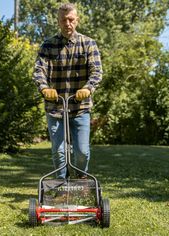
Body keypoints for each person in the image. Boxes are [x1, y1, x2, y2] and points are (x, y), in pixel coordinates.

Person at [33, 3, 102, 179]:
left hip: (80, 107)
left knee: (82, 152)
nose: (67, 23)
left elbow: (96, 72)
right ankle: (61, 184)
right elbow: (39, 71)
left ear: (77, 20)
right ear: (58, 21)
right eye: (64, 20)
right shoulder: (48, 45)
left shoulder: (88, 44)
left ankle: (80, 181)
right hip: (55, 107)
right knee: (59, 151)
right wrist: (45, 88)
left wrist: (87, 88)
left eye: (71, 19)